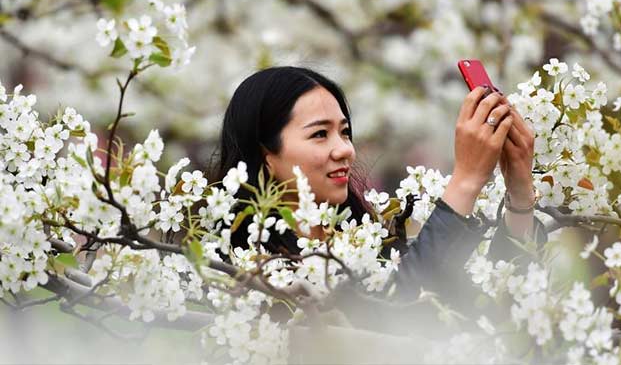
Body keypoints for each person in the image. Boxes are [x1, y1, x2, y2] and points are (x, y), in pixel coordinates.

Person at [213, 66, 545, 305]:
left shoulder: (368, 240)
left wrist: (519, 190)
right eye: (319, 134)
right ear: (266, 155)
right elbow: (394, 308)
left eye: (344, 132)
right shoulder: (248, 271)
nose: (345, 149)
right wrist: (467, 180)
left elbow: (495, 304)